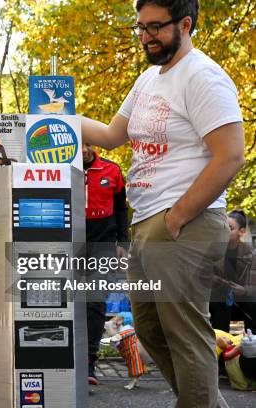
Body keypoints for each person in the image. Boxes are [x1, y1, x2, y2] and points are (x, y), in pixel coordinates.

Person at [79, 0, 244, 406]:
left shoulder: (203, 77)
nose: (146, 36)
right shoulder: (148, 79)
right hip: (149, 222)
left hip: (184, 222)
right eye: (140, 27)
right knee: (150, 330)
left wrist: (178, 216)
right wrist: (52, 115)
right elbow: (113, 135)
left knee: (186, 335)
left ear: (184, 24)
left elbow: (231, 155)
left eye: (155, 27)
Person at [82, 143, 129, 385]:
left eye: (87, 143)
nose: (83, 149)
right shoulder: (60, 168)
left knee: (94, 301)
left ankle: (89, 364)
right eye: (78, 143)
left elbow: (121, 208)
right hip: (70, 244)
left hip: (103, 245)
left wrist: (123, 241)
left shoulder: (111, 170)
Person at [210, 209, 256, 332]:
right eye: (223, 227)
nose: (225, 231)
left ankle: (251, 344)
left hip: (242, 299)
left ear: (242, 232)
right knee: (217, 299)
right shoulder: (215, 249)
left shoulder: (251, 253)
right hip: (220, 298)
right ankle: (219, 342)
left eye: (230, 228)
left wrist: (244, 290)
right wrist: (213, 278)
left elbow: (253, 286)